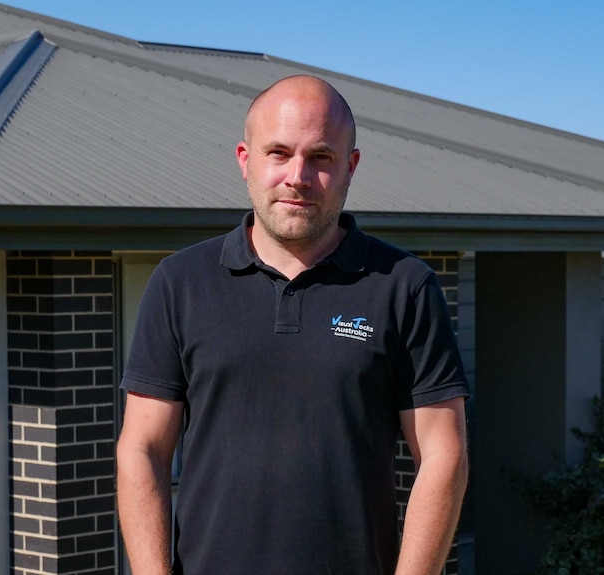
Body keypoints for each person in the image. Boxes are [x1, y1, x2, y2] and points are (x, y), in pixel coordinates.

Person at [116, 74, 469, 575]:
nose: (298, 176)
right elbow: (143, 448)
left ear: (351, 167)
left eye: (321, 157)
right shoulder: (181, 282)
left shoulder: (404, 286)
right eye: (278, 153)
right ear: (245, 160)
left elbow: (442, 455)